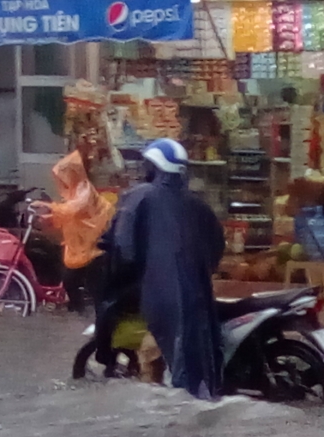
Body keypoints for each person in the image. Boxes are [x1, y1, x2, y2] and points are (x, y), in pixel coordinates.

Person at [115, 139, 225, 400]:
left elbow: (123, 246)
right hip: (199, 296)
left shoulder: (141, 196)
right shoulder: (197, 204)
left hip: (160, 294)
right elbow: (217, 245)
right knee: (193, 359)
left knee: (163, 357)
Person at [36, 150, 115, 315]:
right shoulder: (77, 190)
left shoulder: (84, 190)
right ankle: (81, 312)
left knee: (89, 284)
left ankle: (94, 316)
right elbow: (71, 215)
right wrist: (50, 216)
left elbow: (72, 210)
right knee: (73, 281)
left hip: (93, 245)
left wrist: (51, 208)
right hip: (81, 246)